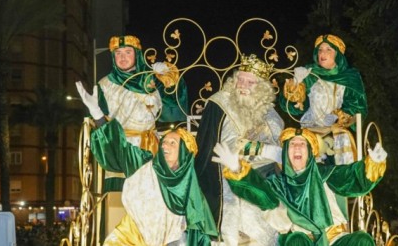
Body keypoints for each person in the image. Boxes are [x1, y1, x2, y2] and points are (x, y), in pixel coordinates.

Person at [212, 127, 387, 246]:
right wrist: (238, 170)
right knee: (296, 241)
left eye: (302, 144)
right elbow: (261, 194)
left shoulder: (326, 174)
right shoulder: (278, 184)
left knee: (362, 240)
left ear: (310, 153)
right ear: (286, 152)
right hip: (300, 239)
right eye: (292, 145)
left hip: (334, 239)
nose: (297, 148)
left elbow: (353, 179)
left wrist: (373, 164)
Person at [76, 35, 187, 192]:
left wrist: (168, 78)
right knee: (120, 200)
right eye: (118, 53)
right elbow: (102, 128)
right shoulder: (104, 85)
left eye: (128, 52)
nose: (123, 57)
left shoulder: (151, 79)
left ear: (137, 54)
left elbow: (174, 111)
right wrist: (95, 111)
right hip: (121, 150)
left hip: (149, 148)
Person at [194, 53, 284, 245]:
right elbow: (208, 146)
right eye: (239, 79)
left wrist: (263, 151)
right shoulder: (220, 102)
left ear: (261, 88)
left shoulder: (270, 114)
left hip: (262, 180)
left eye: (250, 82)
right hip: (224, 176)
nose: (242, 85)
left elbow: (280, 150)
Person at [90, 124, 218, 245]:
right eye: (164, 142)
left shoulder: (191, 192)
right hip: (129, 239)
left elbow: (198, 234)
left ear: (184, 153)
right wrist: (98, 115)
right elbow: (119, 149)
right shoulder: (144, 164)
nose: (164, 146)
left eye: (172, 143)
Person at [279, 34, 367, 165]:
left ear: (338, 54)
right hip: (311, 127)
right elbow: (293, 107)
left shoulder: (350, 77)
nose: (322, 53)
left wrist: (338, 116)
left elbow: (357, 107)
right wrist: (297, 83)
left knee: (342, 150)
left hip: (336, 128)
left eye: (328, 49)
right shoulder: (310, 74)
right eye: (320, 50)